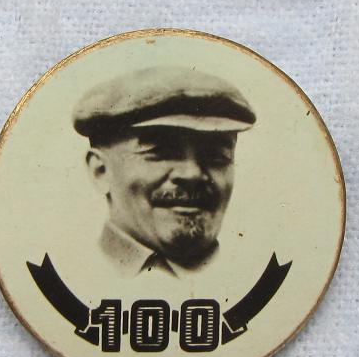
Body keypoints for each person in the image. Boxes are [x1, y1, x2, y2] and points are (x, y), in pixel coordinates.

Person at [73, 66, 256, 278]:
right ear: (101, 171)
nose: (193, 174)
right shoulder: (76, 271)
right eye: (161, 152)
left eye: (216, 155)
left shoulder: (248, 274)